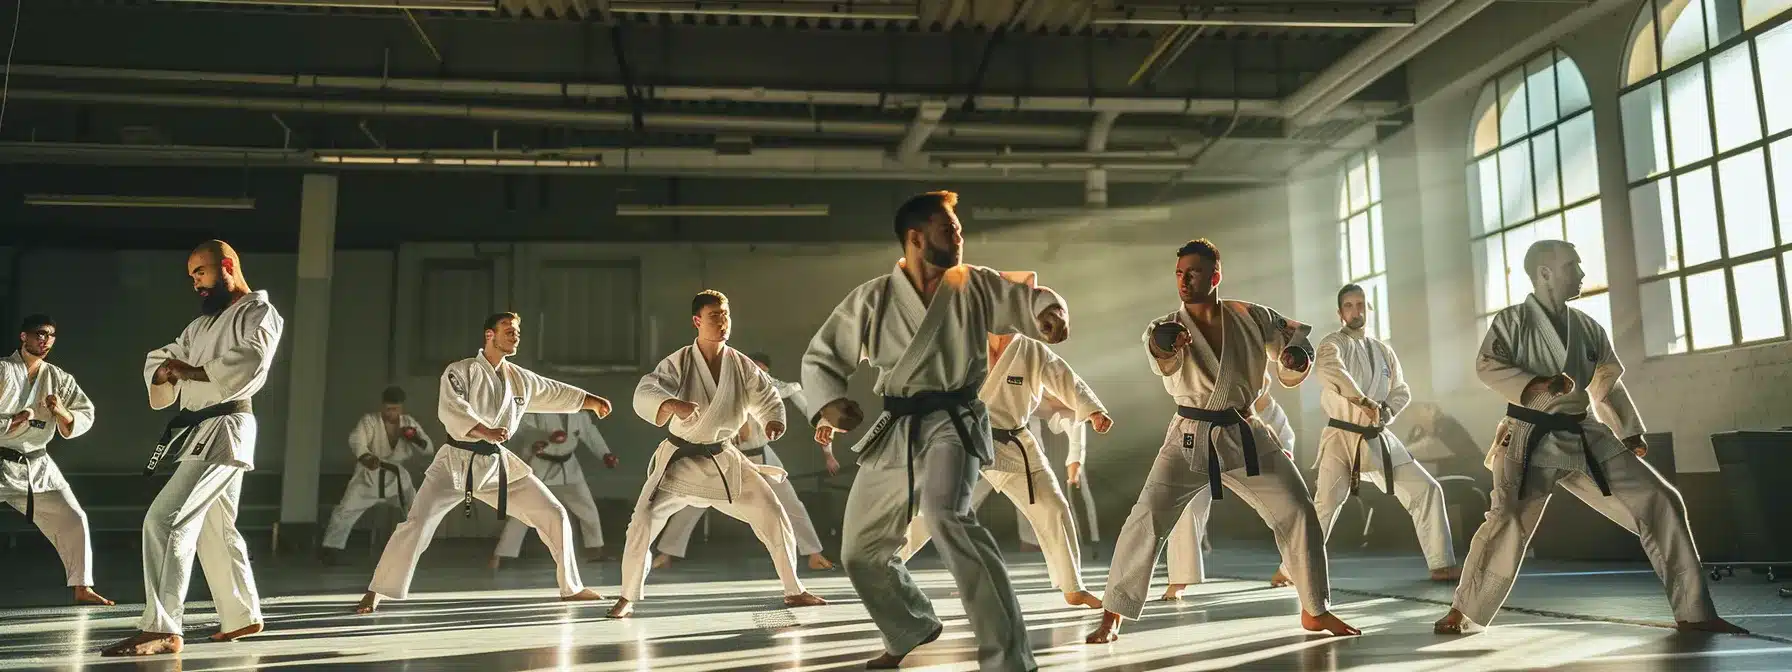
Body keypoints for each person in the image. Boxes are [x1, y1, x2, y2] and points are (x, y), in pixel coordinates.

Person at [803, 190, 1068, 670]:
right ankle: (911, 626)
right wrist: (829, 404)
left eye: (959, 228)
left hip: (953, 419)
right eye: (949, 229)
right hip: (897, 424)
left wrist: (1049, 314)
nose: (959, 236)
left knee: (947, 515)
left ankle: (1009, 658)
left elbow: (1028, 300)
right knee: (859, 551)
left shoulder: (975, 285)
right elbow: (823, 356)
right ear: (916, 237)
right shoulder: (874, 297)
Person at [1433, 240, 1747, 635]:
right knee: (1506, 520)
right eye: (1572, 266)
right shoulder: (1512, 322)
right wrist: (1538, 384)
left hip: (1582, 433)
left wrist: (1628, 430)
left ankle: (1695, 613)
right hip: (1528, 433)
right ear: (1545, 272)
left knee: (1661, 499)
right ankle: (1463, 611)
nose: (1581, 274)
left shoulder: (1586, 327)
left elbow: (1606, 383)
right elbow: (1488, 365)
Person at [1085, 238, 1359, 644]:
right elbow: (1159, 351)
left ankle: (1315, 609)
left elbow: (1296, 341)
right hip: (1189, 436)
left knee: (1300, 510)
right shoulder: (1167, 325)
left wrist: (1294, 360)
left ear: (1215, 275)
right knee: (1146, 518)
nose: (1184, 279)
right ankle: (1113, 615)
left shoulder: (1250, 315)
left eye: (1193, 272)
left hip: (1246, 431)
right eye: (1179, 273)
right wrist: (1165, 345)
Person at [356, 312, 611, 614]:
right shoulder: (459, 371)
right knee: (417, 524)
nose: (515, 335)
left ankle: (572, 588)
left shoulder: (520, 379)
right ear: (489, 335)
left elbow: (552, 390)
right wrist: (484, 430)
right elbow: (453, 409)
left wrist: (589, 400)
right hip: (454, 463)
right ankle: (377, 591)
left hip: (496, 465)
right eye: (508, 330)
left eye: (517, 331)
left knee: (553, 512)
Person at [104, 241, 282, 656]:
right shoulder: (200, 326)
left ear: (226, 266)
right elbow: (165, 358)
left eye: (200, 273)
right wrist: (169, 370)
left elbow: (252, 360)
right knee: (216, 527)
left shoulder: (258, 313)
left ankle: (162, 627)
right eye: (192, 277)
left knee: (165, 521)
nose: (196, 283)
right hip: (203, 428)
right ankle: (243, 615)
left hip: (226, 424)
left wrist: (191, 372)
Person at [610, 291, 828, 618]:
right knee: (641, 521)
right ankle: (627, 597)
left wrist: (772, 420)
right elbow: (647, 390)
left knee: (773, 513)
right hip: (680, 463)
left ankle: (794, 590)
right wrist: (669, 404)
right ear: (697, 321)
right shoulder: (679, 362)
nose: (722, 322)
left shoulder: (741, 364)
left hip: (725, 461)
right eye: (714, 316)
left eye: (726, 315)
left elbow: (767, 397)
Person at [897, 332, 1112, 610]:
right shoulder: (963, 337)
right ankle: (884, 567)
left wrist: (1093, 411)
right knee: (931, 510)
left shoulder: (1033, 351)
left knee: (1055, 507)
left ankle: (1073, 586)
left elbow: (1066, 380)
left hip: (1013, 442)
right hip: (963, 439)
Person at [1293, 283, 1460, 585]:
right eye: (1349, 306)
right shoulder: (1333, 344)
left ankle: (1441, 564)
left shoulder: (1383, 351)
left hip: (1378, 436)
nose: (1356, 311)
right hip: (1341, 437)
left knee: (1427, 489)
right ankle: (1291, 569)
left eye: (1360, 304)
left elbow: (1401, 390)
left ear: (1368, 308)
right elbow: (1331, 372)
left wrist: (1386, 411)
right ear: (1339, 311)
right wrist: (1363, 401)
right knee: (1325, 505)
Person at [651, 352, 837, 572]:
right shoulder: (722, 389)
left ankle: (814, 553)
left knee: (790, 503)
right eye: (751, 369)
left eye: (760, 371)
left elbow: (809, 408)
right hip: (724, 455)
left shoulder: (772, 389)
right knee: (693, 501)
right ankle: (667, 553)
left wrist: (828, 450)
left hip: (760, 454)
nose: (755, 374)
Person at [1, 314, 109, 606]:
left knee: (73, 519)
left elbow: (85, 414)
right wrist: (15, 420)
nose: (45, 340)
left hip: (37, 464)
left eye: (50, 336)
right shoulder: (3, 370)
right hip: (1, 457)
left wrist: (62, 412)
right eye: (39, 334)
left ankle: (82, 587)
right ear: (23, 336)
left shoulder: (59, 378)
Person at [1158, 382, 1296, 600]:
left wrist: (1283, 453)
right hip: (1202, 434)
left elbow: (1277, 422)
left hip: (1246, 446)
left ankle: (1290, 569)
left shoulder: (1259, 389)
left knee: (1289, 510)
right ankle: (1179, 579)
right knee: (1185, 507)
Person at [492, 410, 617, 567]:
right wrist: (542, 439)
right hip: (541, 468)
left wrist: (605, 454)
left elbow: (591, 434)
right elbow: (523, 429)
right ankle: (502, 555)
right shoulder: (538, 412)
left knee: (587, 508)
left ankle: (595, 549)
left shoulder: (579, 416)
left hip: (570, 469)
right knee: (524, 512)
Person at [320, 386, 431, 561]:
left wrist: (414, 438)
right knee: (345, 510)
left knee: (414, 508)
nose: (391, 413)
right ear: (382, 406)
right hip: (368, 475)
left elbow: (428, 448)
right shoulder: (369, 421)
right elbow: (357, 440)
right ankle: (330, 549)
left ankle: (417, 546)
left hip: (396, 478)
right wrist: (366, 457)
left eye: (395, 409)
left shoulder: (408, 423)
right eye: (387, 408)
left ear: (401, 408)